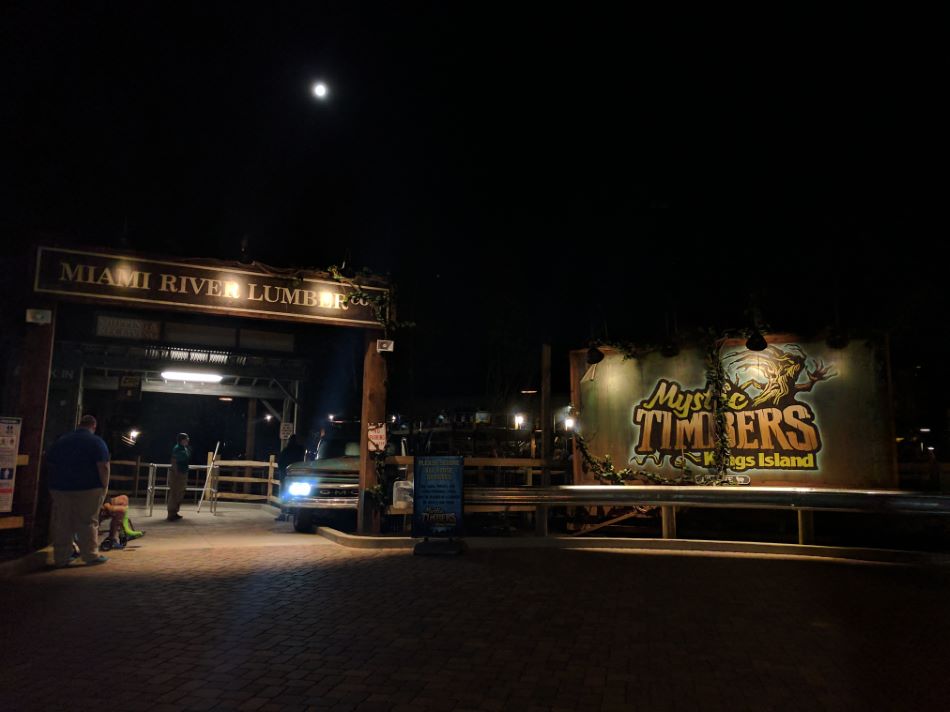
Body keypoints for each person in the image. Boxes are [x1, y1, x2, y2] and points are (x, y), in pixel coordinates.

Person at [46, 414, 111, 567]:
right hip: (89, 487)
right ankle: (90, 555)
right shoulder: (96, 442)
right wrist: (104, 485)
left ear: (79, 424)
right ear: (93, 426)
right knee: (88, 521)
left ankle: (61, 557)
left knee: (63, 522)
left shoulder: (62, 440)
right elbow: (103, 466)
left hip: (60, 487)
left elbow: (50, 462)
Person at [274, 433, 305, 521]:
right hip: (298, 477)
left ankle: (283, 513)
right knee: (298, 495)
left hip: (286, 477)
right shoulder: (301, 450)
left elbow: (280, 463)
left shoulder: (286, 450)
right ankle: (296, 512)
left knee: (284, 495)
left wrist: (282, 475)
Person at [167, 432, 191, 521]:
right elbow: (174, 460)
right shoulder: (177, 449)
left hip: (183, 472)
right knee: (174, 493)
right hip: (177, 474)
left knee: (180, 493)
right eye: (186, 439)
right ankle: (171, 513)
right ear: (182, 440)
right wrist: (176, 473)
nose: (188, 440)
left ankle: (175, 512)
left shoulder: (184, 448)